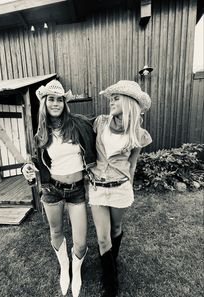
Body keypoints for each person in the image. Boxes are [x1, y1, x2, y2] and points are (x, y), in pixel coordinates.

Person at [22, 79, 96, 297]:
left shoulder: (79, 124)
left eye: (59, 100)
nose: (55, 103)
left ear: (65, 103)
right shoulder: (41, 133)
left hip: (76, 191)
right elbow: (34, 159)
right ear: (45, 103)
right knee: (56, 231)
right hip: (51, 189)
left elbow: (101, 125)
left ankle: (77, 270)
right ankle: (65, 268)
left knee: (80, 243)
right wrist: (27, 167)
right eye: (51, 99)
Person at [88, 80, 152, 297]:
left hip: (120, 189)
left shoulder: (138, 134)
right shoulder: (99, 123)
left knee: (116, 230)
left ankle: (111, 262)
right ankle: (111, 283)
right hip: (97, 187)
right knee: (103, 237)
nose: (111, 102)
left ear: (128, 102)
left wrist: (130, 188)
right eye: (111, 98)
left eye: (116, 98)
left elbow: (132, 165)